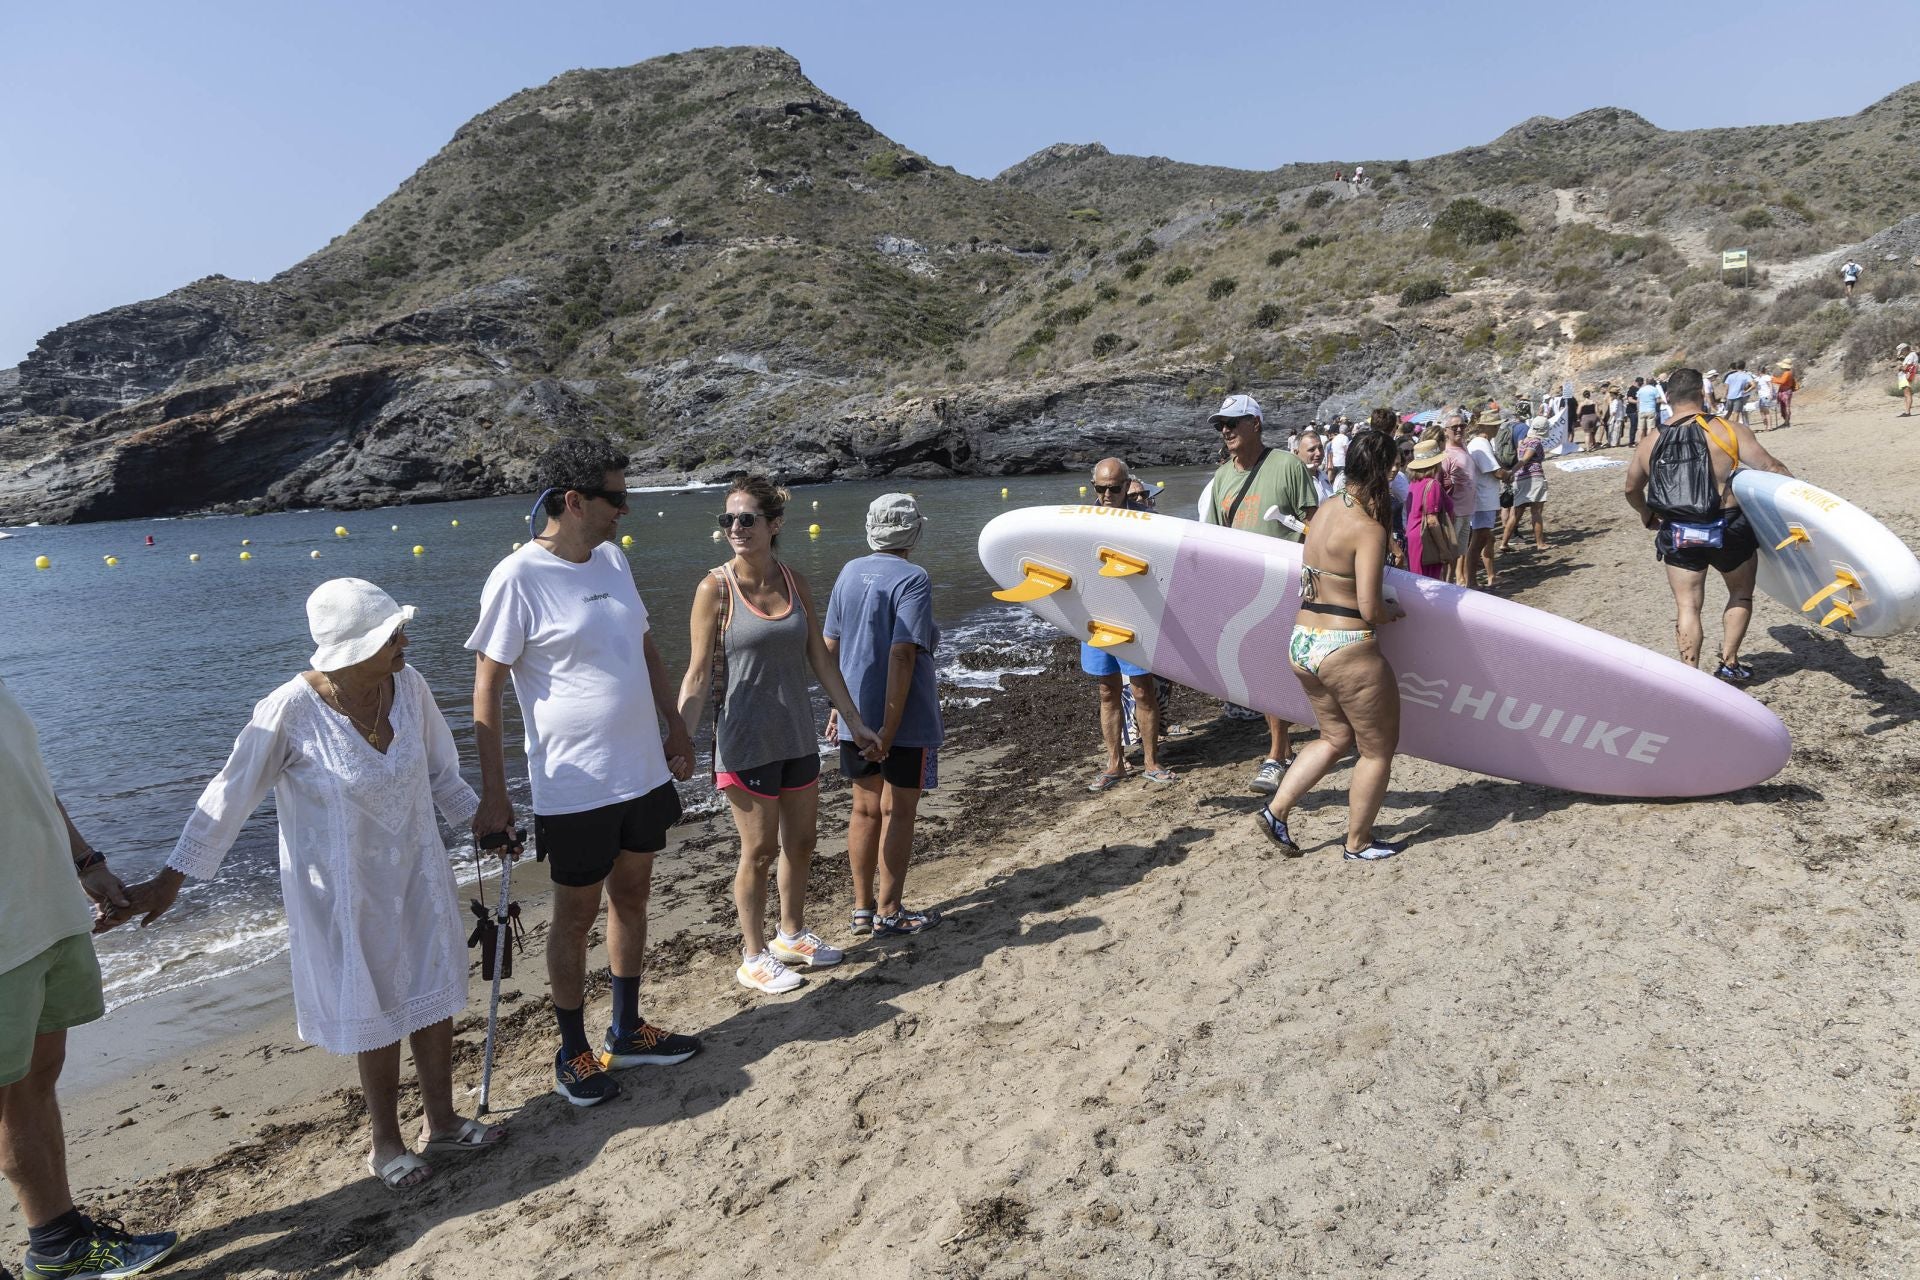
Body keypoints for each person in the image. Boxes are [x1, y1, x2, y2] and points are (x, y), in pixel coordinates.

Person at [136, 579, 503, 1191]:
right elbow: (228, 797)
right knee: (375, 1005)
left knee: (431, 989)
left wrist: (486, 824)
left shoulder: (410, 686)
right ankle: (385, 1145)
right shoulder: (289, 709)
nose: (404, 642)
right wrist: (171, 880)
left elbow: (442, 773)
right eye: (391, 636)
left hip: (418, 871)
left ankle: (441, 1122)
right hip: (343, 893)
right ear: (351, 648)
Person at [469, 437, 700, 1108]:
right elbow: (486, 687)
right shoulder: (517, 577)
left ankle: (625, 1029)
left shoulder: (613, 559)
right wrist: (494, 795)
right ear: (573, 501)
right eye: (616, 498)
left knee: (633, 897)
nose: (625, 510)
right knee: (574, 917)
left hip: (641, 772)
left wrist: (675, 724)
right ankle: (571, 1051)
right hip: (575, 786)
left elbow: (645, 647)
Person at [676, 476, 883, 995]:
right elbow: (697, 675)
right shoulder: (714, 589)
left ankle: (790, 936)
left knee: (803, 842)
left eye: (747, 518)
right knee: (760, 850)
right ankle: (752, 957)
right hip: (744, 741)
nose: (736, 528)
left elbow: (820, 659)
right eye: (728, 519)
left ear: (774, 524)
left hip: (796, 736)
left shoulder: (794, 581)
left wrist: (855, 721)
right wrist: (678, 740)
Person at [1, 675, 179, 1276]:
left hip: (45, 913)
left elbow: (32, 780)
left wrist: (85, 861)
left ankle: (57, 1245)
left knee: (36, 1078)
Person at [1254, 430, 1405, 861]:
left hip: (1303, 641)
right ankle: (1358, 843)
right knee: (1377, 750)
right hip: (1347, 646)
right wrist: (1392, 612)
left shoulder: (1323, 510)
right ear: (1383, 471)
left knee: (1334, 736)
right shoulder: (1368, 529)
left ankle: (1275, 811)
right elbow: (1370, 607)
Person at [823, 494, 945, 940]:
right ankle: (889, 911)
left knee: (864, 808)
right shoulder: (914, 578)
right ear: (914, 532)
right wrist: (889, 731)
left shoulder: (848, 571)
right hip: (903, 718)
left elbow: (830, 646)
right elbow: (902, 653)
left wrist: (838, 708)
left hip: (854, 712)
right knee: (899, 811)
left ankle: (862, 908)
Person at [1624, 368, 1792, 682]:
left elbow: (1631, 489)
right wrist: (1800, 507)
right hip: (1729, 527)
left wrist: (1646, 515)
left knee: (1687, 605)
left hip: (1679, 529)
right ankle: (1729, 663)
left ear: (1667, 398)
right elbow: (1772, 468)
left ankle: (1691, 679)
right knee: (1740, 593)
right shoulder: (1730, 430)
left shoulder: (1649, 441)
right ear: (1702, 394)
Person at [1200, 393, 1320, 794]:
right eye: (1221, 425)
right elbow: (1215, 540)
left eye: (1232, 423)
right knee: (1264, 670)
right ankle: (1280, 751)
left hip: (1288, 586)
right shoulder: (1222, 477)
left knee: (1291, 667)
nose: (1225, 430)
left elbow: (1315, 526)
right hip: (1244, 592)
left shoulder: (1286, 466)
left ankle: (1281, 752)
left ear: (1255, 424)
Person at [1077, 459, 1175, 791]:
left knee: (1142, 688)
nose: (1107, 495)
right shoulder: (1079, 522)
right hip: (1096, 616)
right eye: (1100, 488)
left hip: (1136, 615)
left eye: (1115, 488)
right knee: (1107, 690)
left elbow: (1164, 564)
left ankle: (1151, 762)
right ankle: (1114, 764)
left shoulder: (1145, 520)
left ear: (1127, 485)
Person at [1465, 409, 1511, 588]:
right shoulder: (1481, 444)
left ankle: (1481, 578)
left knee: (1484, 539)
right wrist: (1508, 475)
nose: (1497, 428)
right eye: (1494, 425)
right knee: (1479, 541)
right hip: (1483, 499)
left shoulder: (1480, 443)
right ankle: (1471, 581)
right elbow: (1496, 472)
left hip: (1483, 498)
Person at [1401, 435, 1454, 578]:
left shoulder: (1414, 483)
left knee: (1417, 579)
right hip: (1426, 540)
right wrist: (1443, 550)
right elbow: (1432, 521)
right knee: (1428, 582)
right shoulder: (1432, 484)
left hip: (1414, 537)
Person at [1499, 419, 1550, 553]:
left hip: (1520, 479)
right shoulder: (1535, 442)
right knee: (1536, 511)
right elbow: (1525, 459)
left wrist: (1512, 473)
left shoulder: (1523, 442)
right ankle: (1540, 543)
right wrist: (1511, 472)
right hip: (1534, 478)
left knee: (1516, 513)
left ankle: (1504, 543)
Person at [1435, 413, 1474, 585]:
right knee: (1450, 554)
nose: (1459, 429)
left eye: (1462, 426)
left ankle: (1457, 583)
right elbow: (1438, 484)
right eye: (1454, 427)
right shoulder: (1446, 455)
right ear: (1446, 431)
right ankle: (1448, 586)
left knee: (1460, 552)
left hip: (1466, 511)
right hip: (1454, 513)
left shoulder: (1463, 446)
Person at [1294, 431, 1335, 502]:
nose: (1318, 453)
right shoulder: (1295, 482)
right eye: (1311, 449)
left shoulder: (1322, 475)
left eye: (1320, 447)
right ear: (1296, 453)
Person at [1723, 360, 1755, 427]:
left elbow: (1726, 387)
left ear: (1736, 367)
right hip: (1738, 397)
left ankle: (1722, 425)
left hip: (1730, 397)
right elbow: (1753, 385)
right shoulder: (1746, 376)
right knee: (1736, 413)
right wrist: (1746, 391)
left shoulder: (1730, 376)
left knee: (1729, 412)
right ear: (1744, 367)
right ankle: (1734, 428)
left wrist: (1725, 396)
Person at [1774, 359, 1797, 427]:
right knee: (1785, 407)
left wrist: (1773, 379)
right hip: (1785, 391)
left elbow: (1782, 381)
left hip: (1785, 392)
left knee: (1786, 407)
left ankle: (1787, 422)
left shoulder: (1787, 373)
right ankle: (1786, 421)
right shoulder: (1788, 373)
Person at [1755, 365, 1777, 430]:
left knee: (1766, 410)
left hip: (1766, 396)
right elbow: (1753, 381)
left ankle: (1769, 426)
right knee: (1761, 411)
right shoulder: (1758, 378)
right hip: (1761, 397)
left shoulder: (1766, 377)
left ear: (1759, 371)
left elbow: (1770, 385)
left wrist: (1771, 394)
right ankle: (1766, 425)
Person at [1899, 343, 1918, 418]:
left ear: (1905, 349)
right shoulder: (1911, 355)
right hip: (1907, 377)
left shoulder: (1911, 355)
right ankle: (1906, 411)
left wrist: (1900, 367)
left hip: (1906, 377)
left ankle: (1907, 412)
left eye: (1902, 351)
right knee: (1907, 394)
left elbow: (1906, 368)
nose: (1902, 353)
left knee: (1907, 394)